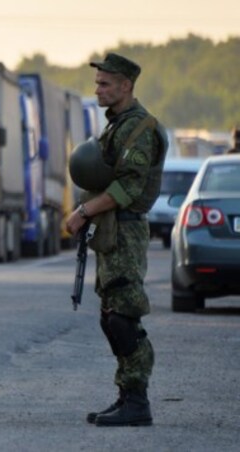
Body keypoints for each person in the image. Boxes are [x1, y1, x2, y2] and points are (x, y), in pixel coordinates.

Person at [65, 53, 166, 427]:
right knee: (112, 315)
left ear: (126, 86)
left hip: (125, 229)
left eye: (105, 84)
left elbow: (128, 186)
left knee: (124, 316)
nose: (98, 89)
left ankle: (137, 401)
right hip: (113, 230)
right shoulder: (119, 125)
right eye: (97, 83)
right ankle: (126, 395)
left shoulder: (139, 128)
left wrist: (84, 212)